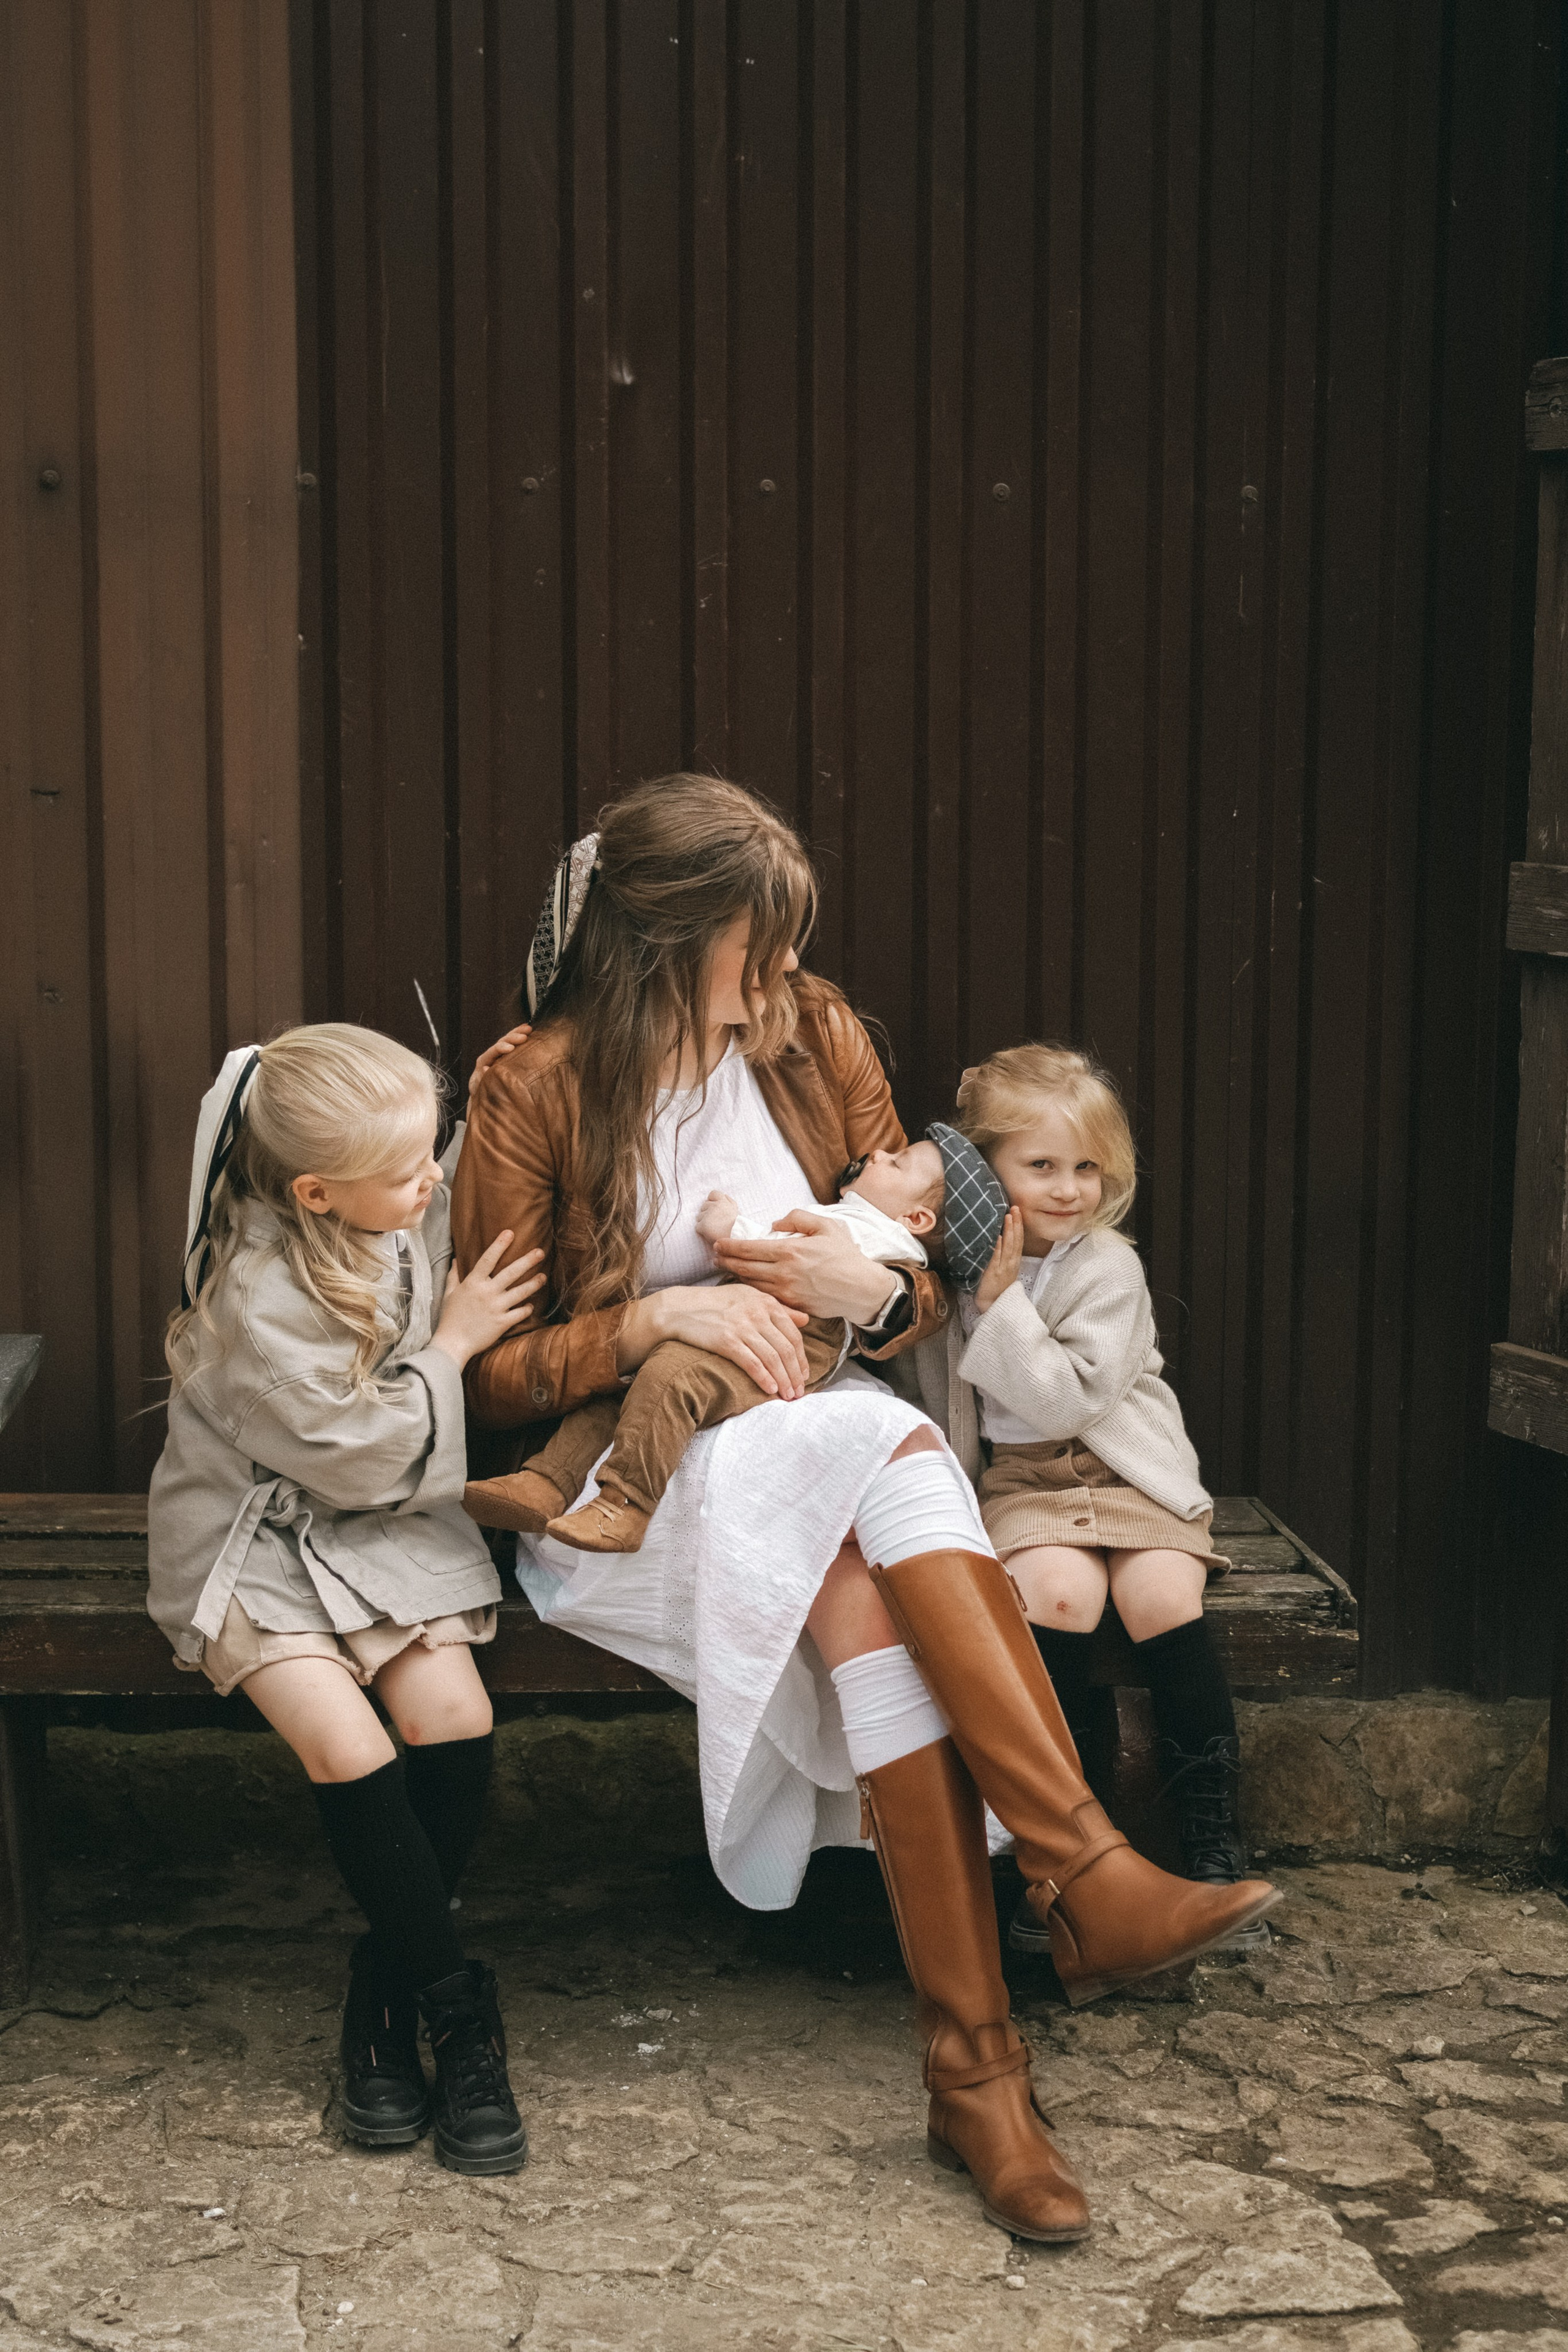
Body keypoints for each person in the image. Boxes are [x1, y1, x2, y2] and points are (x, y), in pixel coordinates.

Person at [452, 774, 1278, 2245]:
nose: (781, 975)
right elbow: (495, 1371)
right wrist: (649, 1326)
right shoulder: (533, 1083)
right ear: (658, 936)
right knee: (882, 1462)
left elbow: (930, 1264)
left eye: (787, 939)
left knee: (859, 1562)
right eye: (751, 944)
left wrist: (872, 1289)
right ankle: (1071, 1883)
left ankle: (983, 2075)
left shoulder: (815, 1034)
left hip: (820, 1445)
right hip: (621, 1485)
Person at [147, 1023, 544, 2175]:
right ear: (316, 1191)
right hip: (259, 1538)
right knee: (346, 1740)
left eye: (432, 1152)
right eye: (411, 1170)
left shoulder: (382, 1199)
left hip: (384, 1534)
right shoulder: (254, 1294)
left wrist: (511, 1075)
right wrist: (455, 1343)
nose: (435, 1181)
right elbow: (363, 1454)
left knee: (453, 1717)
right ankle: (458, 2012)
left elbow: (461, 1160)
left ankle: (388, 1978)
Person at [930, 1042, 1262, 1952]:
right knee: (1059, 1599)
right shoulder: (950, 1267)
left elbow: (1071, 1397)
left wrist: (1001, 1312)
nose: (1067, 1188)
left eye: (1086, 1167)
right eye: (1039, 1166)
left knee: (1159, 1597)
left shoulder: (1105, 1265)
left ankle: (1211, 1850)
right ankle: (1076, 1857)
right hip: (1031, 1483)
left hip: (1132, 1473)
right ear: (985, 1166)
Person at [461, 1137, 943, 1551]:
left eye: (896, 1163)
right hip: (738, 1314)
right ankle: (547, 1482)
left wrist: (731, 1227)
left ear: (917, 1217)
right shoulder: (858, 1216)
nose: (878, 1152)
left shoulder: (877, 1231)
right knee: (624, 1381)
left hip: (796, 1335)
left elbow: (787, 1253)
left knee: (673, 1377)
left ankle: (624, 1505)